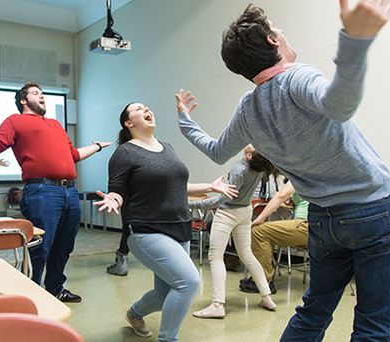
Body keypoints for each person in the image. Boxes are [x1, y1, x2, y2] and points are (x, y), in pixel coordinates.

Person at [177, 1, 390, 340]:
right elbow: (339, 106)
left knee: (313, 312)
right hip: (373, 210)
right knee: (376, 326)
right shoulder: (296, 76)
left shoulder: (248, 108)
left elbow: (216, 151)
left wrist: (185, 121)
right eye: (277, 27)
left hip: (325, 222)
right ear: (273, 41)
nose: (283, 32)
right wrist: (354, 40)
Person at [0, 82, 111, 303]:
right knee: (41, 247)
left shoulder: (55, 124)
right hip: (42, 192)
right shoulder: (15, 121)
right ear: (23, 101)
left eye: (43, 94)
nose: (43, 97)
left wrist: (98, 147)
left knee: (65, 245)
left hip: (70, 192)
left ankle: (55, 288)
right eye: (36, 93)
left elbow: (73, 155)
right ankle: (31, 293)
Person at [93, 102, 238, 341]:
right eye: (138, 109)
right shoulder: (125, 152)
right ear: (129, 123)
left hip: (178, 227)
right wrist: (113, 200)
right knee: (188, 282)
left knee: (164, 295)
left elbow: (178, 186)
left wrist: (210, 186)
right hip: (145, 229)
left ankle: (135, 314)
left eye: (147, 107)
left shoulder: (167, 147)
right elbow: (117, 190)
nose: (146, 109)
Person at [189, 145, 277, 319]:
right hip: (245, 211)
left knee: (215, 256)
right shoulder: (260, 167)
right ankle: (266, 297)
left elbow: (220, 198)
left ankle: (217, 305)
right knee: (247, 255)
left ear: (250, 156)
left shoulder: (239, 170)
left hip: (228, 214)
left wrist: (189, 204)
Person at [239, 181, 309, 294]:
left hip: (305, 225)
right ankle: (262, 278)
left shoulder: (298, 176)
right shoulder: (315, 175)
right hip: (318, 226)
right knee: (265, 233)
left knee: (258, 231)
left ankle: (264, 282)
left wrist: (260, 218)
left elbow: (280, 196)